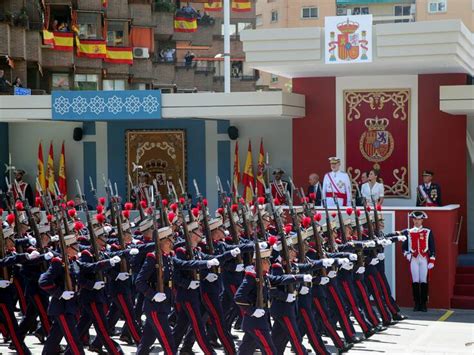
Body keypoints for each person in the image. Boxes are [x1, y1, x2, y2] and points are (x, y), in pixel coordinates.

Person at [402, 211, 435, 312]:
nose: (417, 221)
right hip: (414, 259)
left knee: (424, 280)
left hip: (424, 258)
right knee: (415, 281)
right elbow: (403, 247)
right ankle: (416, 303)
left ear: (422, 220)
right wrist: (407, 254)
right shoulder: (408, 231)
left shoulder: (427, 231)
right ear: (412, 220)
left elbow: (432, 246)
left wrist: (432, 260)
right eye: (415, 219)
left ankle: (424, 303)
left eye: (419, 219)